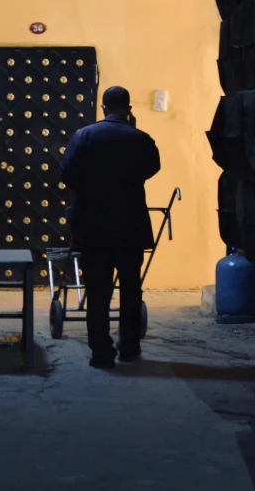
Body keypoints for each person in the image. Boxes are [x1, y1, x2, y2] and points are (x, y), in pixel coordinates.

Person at [60, 86, 161, 369]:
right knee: (131, 289)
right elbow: (152, 168)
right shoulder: (141, 138)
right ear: (128, 108)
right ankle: (129, 347)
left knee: (98, 291)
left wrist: (90, 189)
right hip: (130, 225)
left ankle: (101, 354)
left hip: (94, 227)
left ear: (103, 107)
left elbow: (67, 172)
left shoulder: (85, 135)